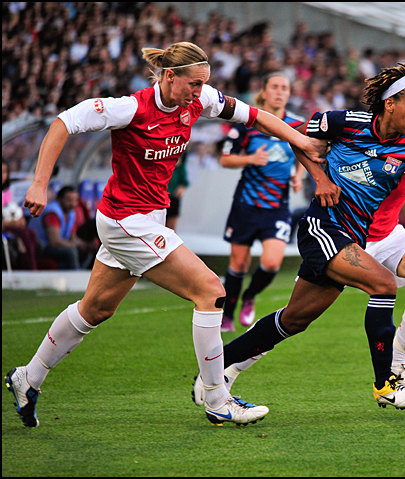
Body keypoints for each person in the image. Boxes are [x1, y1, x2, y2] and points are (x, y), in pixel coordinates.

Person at [5, 41, 324, 428]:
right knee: (211, 290)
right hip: (126, 220)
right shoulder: (131, 108)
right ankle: (217, 398)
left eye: (204, 83)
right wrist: (40, 184)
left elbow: (255, 116)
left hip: (148, 219)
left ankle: (27, 377)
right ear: (170, 76)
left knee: (95, 309)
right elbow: (63, 123)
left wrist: (300, 140)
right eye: (194, 83)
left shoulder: (199, 99)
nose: (200, 91)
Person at [193, 63, 405, 412]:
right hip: (322, 228)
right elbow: (299, 138)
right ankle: (386, 383)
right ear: (390, 103)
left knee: (294, 320)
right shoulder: (345, 122)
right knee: (383, 285)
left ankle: (215, 371)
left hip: (355, 238)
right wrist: (320, 179)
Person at [218, 72, 306, 331]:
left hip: (277, 206)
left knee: (271, 262)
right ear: (264, 92)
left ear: (289, 94)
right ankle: (227, 315)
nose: (279, 92)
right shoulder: (247, 123)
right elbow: (225, 159)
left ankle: (249, 296)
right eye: (274, 87)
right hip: (246, 204)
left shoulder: (296, 125)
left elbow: (306, 152)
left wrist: (299, 175)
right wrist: (250, 159)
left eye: (284, 88)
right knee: (238, 263)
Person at [28, 185, 96, 270]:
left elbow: (72, 237)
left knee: (87, 251)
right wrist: (75, 245)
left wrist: (84, 245)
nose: (73, 204)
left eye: (75, 200)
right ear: (59, 199)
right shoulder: (52, 213)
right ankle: (74, 275)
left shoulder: (70, 213)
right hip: (40, 248)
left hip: (53, 246)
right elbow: (54, 242)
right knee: (71, 252)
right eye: (69, 200)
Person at [2, 158, 38, 270]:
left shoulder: (7, 192)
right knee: (24, 234)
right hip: (5, 225)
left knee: (31, 233)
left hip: (9, 224)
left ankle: (27, 264)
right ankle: (29, 268)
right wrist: (9, 223)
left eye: (4, 172)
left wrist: (19, 220)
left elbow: (13, 210)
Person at [165, 151, 189, 231]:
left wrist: (182, 187)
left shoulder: (180, 168)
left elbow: (184, 181)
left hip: (173, 197)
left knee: (171, 225)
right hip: (161, 196)